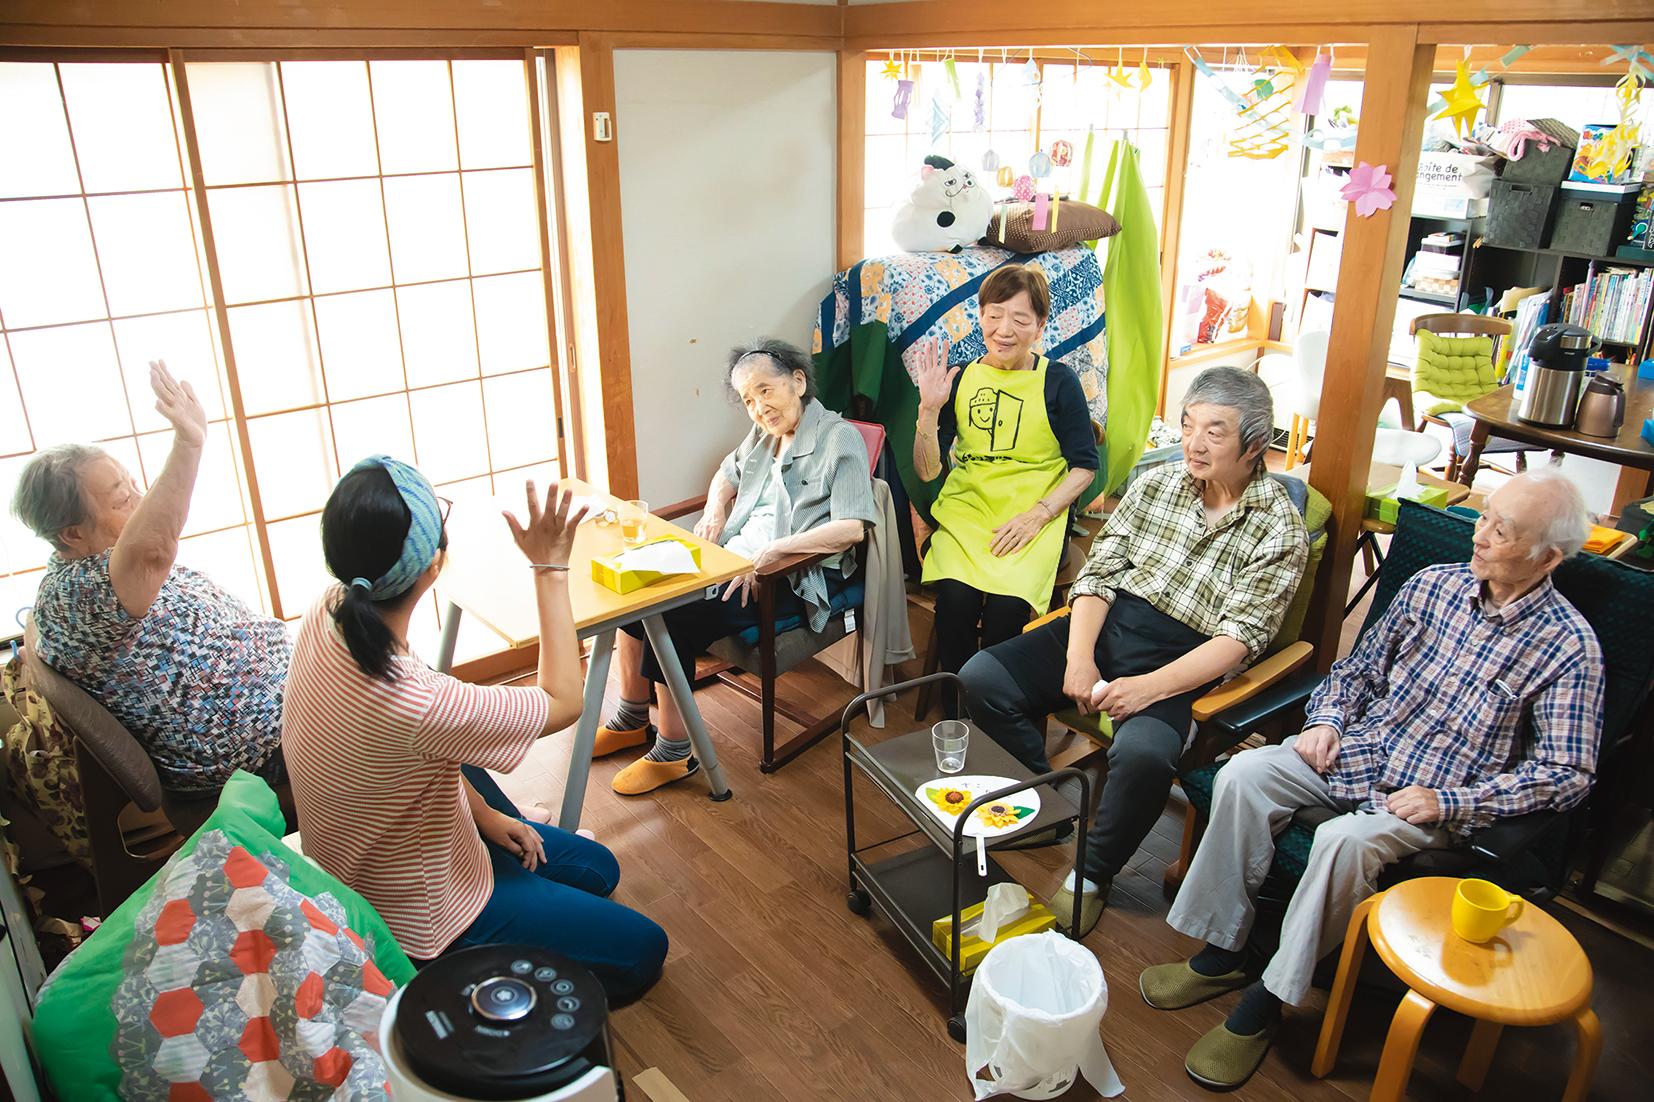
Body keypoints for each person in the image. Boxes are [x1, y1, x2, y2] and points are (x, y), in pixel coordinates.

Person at [1142, 469, 1603, 1090]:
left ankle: (1267, 1004)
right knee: (1246, 773)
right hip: (1358, 754)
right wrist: (1328, 719)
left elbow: (1566, 774)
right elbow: (1356, 672)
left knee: (1342, 842)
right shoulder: (1433, 585)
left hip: (1431, 803)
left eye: (1501, 529)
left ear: (1548, 557)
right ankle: (1224, 951)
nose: (1480, 535)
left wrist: (1450, 801)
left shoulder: (1570, 647)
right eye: (1484, 515)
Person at [281, 458, 666, 1001]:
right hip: (419, 910)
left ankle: (515, 896)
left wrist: (484, 816)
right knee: (644, 951)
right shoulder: (419, 702)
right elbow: (563, 700)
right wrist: (550, 567)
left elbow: (422, 750)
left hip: (373, 858)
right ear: (433, 565)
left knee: (598, 868)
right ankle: (451, 968)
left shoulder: (334, 607)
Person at [961, 366, 1308, 935]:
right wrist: (1080, 657)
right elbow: (1098, 575)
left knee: (1145, 756)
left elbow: (1238, 638)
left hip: (1184, 657)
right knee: (982, 677)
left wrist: (1147, 688)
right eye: (1189, 424)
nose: (1194, 444)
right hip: (1110, 621)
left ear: (1255, 445)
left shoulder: (1279, 529)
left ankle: (1093, 874)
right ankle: (1046, 809)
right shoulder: (1156, 484)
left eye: (1214, 432)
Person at [592, 338, 879, 795]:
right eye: (748, 398)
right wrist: (713, 510)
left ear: (798, 381)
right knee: (637, 592)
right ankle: (631, 718)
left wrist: (773, 553)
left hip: (788, 576)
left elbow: (851, 528)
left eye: (766, 390)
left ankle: (674, 751)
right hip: (732, 561)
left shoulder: (837, 437)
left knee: (670, 618)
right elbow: (727, 472)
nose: (758, 406)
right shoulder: (764, 434)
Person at [11, 361, 288, 794]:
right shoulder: (76, 599)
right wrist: (189, 443)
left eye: (133, 485)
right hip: (256, 749)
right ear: (72, 533)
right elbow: (153, 551)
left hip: (279, 697)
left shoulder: (99, 566)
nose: (140, 501)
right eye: (123, 498)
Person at [913, 264, 1100, 709]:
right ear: (979, 317)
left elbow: (1085, 467)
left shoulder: (1058, 381)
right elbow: (926, 472)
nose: (1004, 330)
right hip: (969, 511)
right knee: (955, 604)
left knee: (1004, 611)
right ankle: (955, 715)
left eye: (1020, 319)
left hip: (1033, 514)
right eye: (994, 315)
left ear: (1039, 326)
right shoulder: (959, 378)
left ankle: (996, 711)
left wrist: (1039, 514)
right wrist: (927, 411)